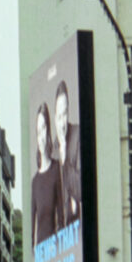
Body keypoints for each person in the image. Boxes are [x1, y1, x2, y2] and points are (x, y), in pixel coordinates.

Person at [30, 101, 62, 248]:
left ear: (48, 130)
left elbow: (61, 216)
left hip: (56, 250)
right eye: (38, 131)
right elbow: (32, 228)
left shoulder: (56, 169)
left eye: (43, 128)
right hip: (41, 257)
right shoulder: (35, 182)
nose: (41, 136)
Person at [53, 80, 81, 227]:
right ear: (54, 117)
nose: (62, 122)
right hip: (59, 239)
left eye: (65, 114)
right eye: (59, 116)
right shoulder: (50, 153)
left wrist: (64, 159)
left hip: (78, 230)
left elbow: (79, 190)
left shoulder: (77, 135)